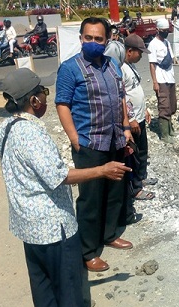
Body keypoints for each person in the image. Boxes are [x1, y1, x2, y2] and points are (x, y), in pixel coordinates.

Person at [0, 68, 124, 307]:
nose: (44, 96)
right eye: (43, 92)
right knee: (69, 279)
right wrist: (102, 170)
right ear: (34, 101)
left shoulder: (5, 128)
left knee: (41, 277)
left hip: (26, 221)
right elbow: (58, 176)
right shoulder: (31, 133)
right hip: (53, 223)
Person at [55, 17, 134, 273]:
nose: (92, 42)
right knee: (90, 199)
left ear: (107, 40)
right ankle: (88, 251)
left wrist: (125, 127)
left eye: (98, 39)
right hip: (89, 142)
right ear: (80, 38)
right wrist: (74, 139)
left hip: (114, 138)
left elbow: (121, 98)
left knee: (114, 192)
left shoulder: (112, 66)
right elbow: (63, 104)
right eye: (88, 38)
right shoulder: (70, 68)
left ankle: (109, 234)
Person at [121, 34, 158, 201]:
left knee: (143, 150)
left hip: (140, 116)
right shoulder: (121, 68)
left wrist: (144, 110)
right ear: (129, 51)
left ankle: (141, 178)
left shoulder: (131, 66)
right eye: (139, 52)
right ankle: (135, 188)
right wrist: (130, 118)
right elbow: (122, 96)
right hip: (132, 120)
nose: (141, 56)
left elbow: (135, 90)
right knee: (133, 155)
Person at [148, 18, 177, 143]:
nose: (166, 32)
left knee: (172, 104)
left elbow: (171, 56)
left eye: (167, 30)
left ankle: (170, 128)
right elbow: (152, 64)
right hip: (160, 78)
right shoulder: (153, 44)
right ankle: (164, 134)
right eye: (164, 30)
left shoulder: (166, 43)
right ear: (158, 30)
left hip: (170, 77)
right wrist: (155, 82)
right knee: (164, 105)